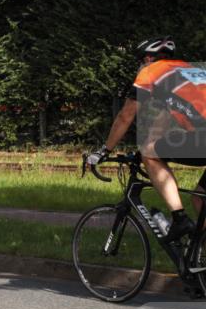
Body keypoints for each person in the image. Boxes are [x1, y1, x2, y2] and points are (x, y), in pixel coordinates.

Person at [88, 37, 206, 242]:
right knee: (200, 199)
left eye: (141, 61)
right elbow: (164, 118)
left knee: (149, 155)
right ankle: (201, 264)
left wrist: (104, 150)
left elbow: (126, 115)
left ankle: (179, 219)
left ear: (148, 58)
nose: (140, 66)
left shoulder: (151, 72)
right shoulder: (186, 71)